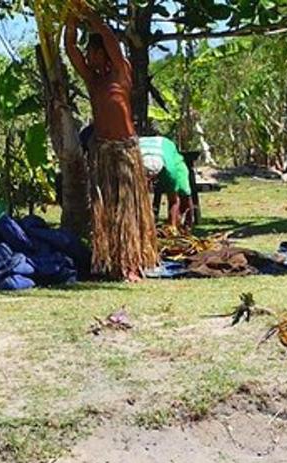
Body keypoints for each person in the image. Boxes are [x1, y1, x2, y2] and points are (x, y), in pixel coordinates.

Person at [64, 11, 158, 280]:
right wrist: (71, 19)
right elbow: (70, 49)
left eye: (94, 52)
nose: (90, 58)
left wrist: (90, 14)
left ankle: (132, 264)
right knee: (107, 210)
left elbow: (108, 37)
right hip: (102, 152)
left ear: (105, 53)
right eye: (89, 53)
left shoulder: (120, 72)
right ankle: (114, 262)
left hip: (125, 151)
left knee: (129, 210)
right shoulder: (92, 80)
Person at [139, 131, 195, 230]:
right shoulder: (135, 166)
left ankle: (188, 224)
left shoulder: (170, 170)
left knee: (184, 190)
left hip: (166, 146)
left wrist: (171, 225)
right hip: (142, 145)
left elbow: (173, 200)